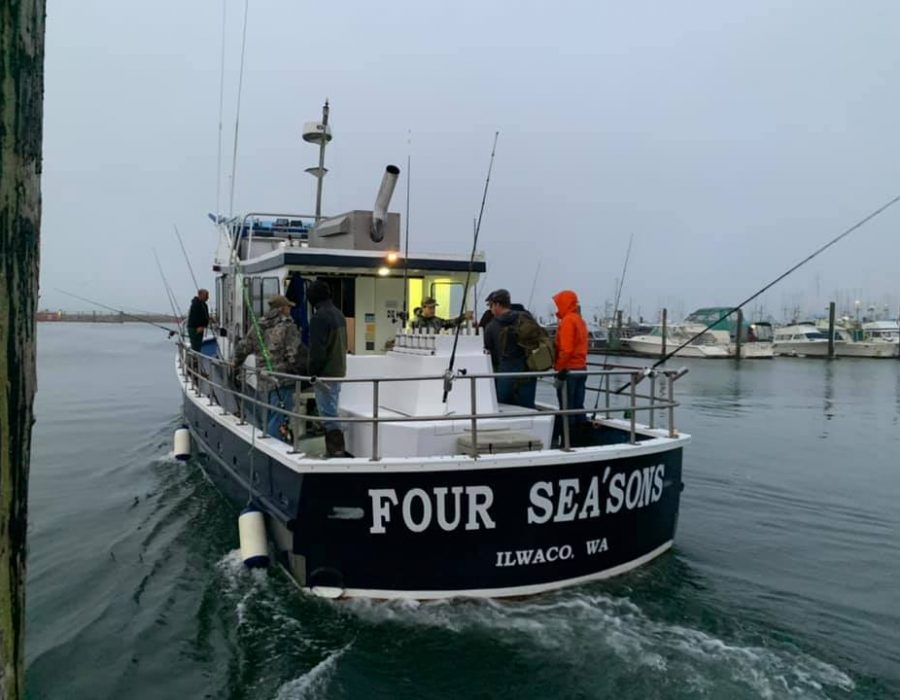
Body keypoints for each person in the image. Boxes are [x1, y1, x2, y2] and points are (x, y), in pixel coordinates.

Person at [233, 295, 305, 440]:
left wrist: (235, 363)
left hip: (264, 380)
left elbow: (243, 347)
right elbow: (294, 354)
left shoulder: (258, 325)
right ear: (281, 309)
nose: (290, 310)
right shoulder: (288, 327)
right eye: (288, 307)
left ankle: (270, 439)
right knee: (280, 416)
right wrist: (301, 371)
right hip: (283, 381)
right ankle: (275, 446)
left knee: (270, 414)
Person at [307, 279, 349, 458]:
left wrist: (311, 373)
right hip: (339, 371)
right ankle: (336, 449)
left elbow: (317, 352)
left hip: (325, 374)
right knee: (332, 408)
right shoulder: (339, 314)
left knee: (328, 414)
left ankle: (336, 452)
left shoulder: (319, 318)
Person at [483, 288, 536, 408]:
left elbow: (489, 352)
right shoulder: (525, 317)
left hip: (506, 371)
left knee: (504, 406)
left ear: (497, 304)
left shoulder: (491, 326)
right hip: (528, 369)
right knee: (527, 408)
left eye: (490, 305)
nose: (490, 309)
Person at [551, 289, 589, 446]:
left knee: (566, 408)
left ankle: (568, 441)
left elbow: (566, 350)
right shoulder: (580, 320)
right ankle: (582, 439)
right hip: (581, 368)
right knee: (578, 406)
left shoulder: (567, 321)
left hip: (569, 371)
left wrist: (558, 369)